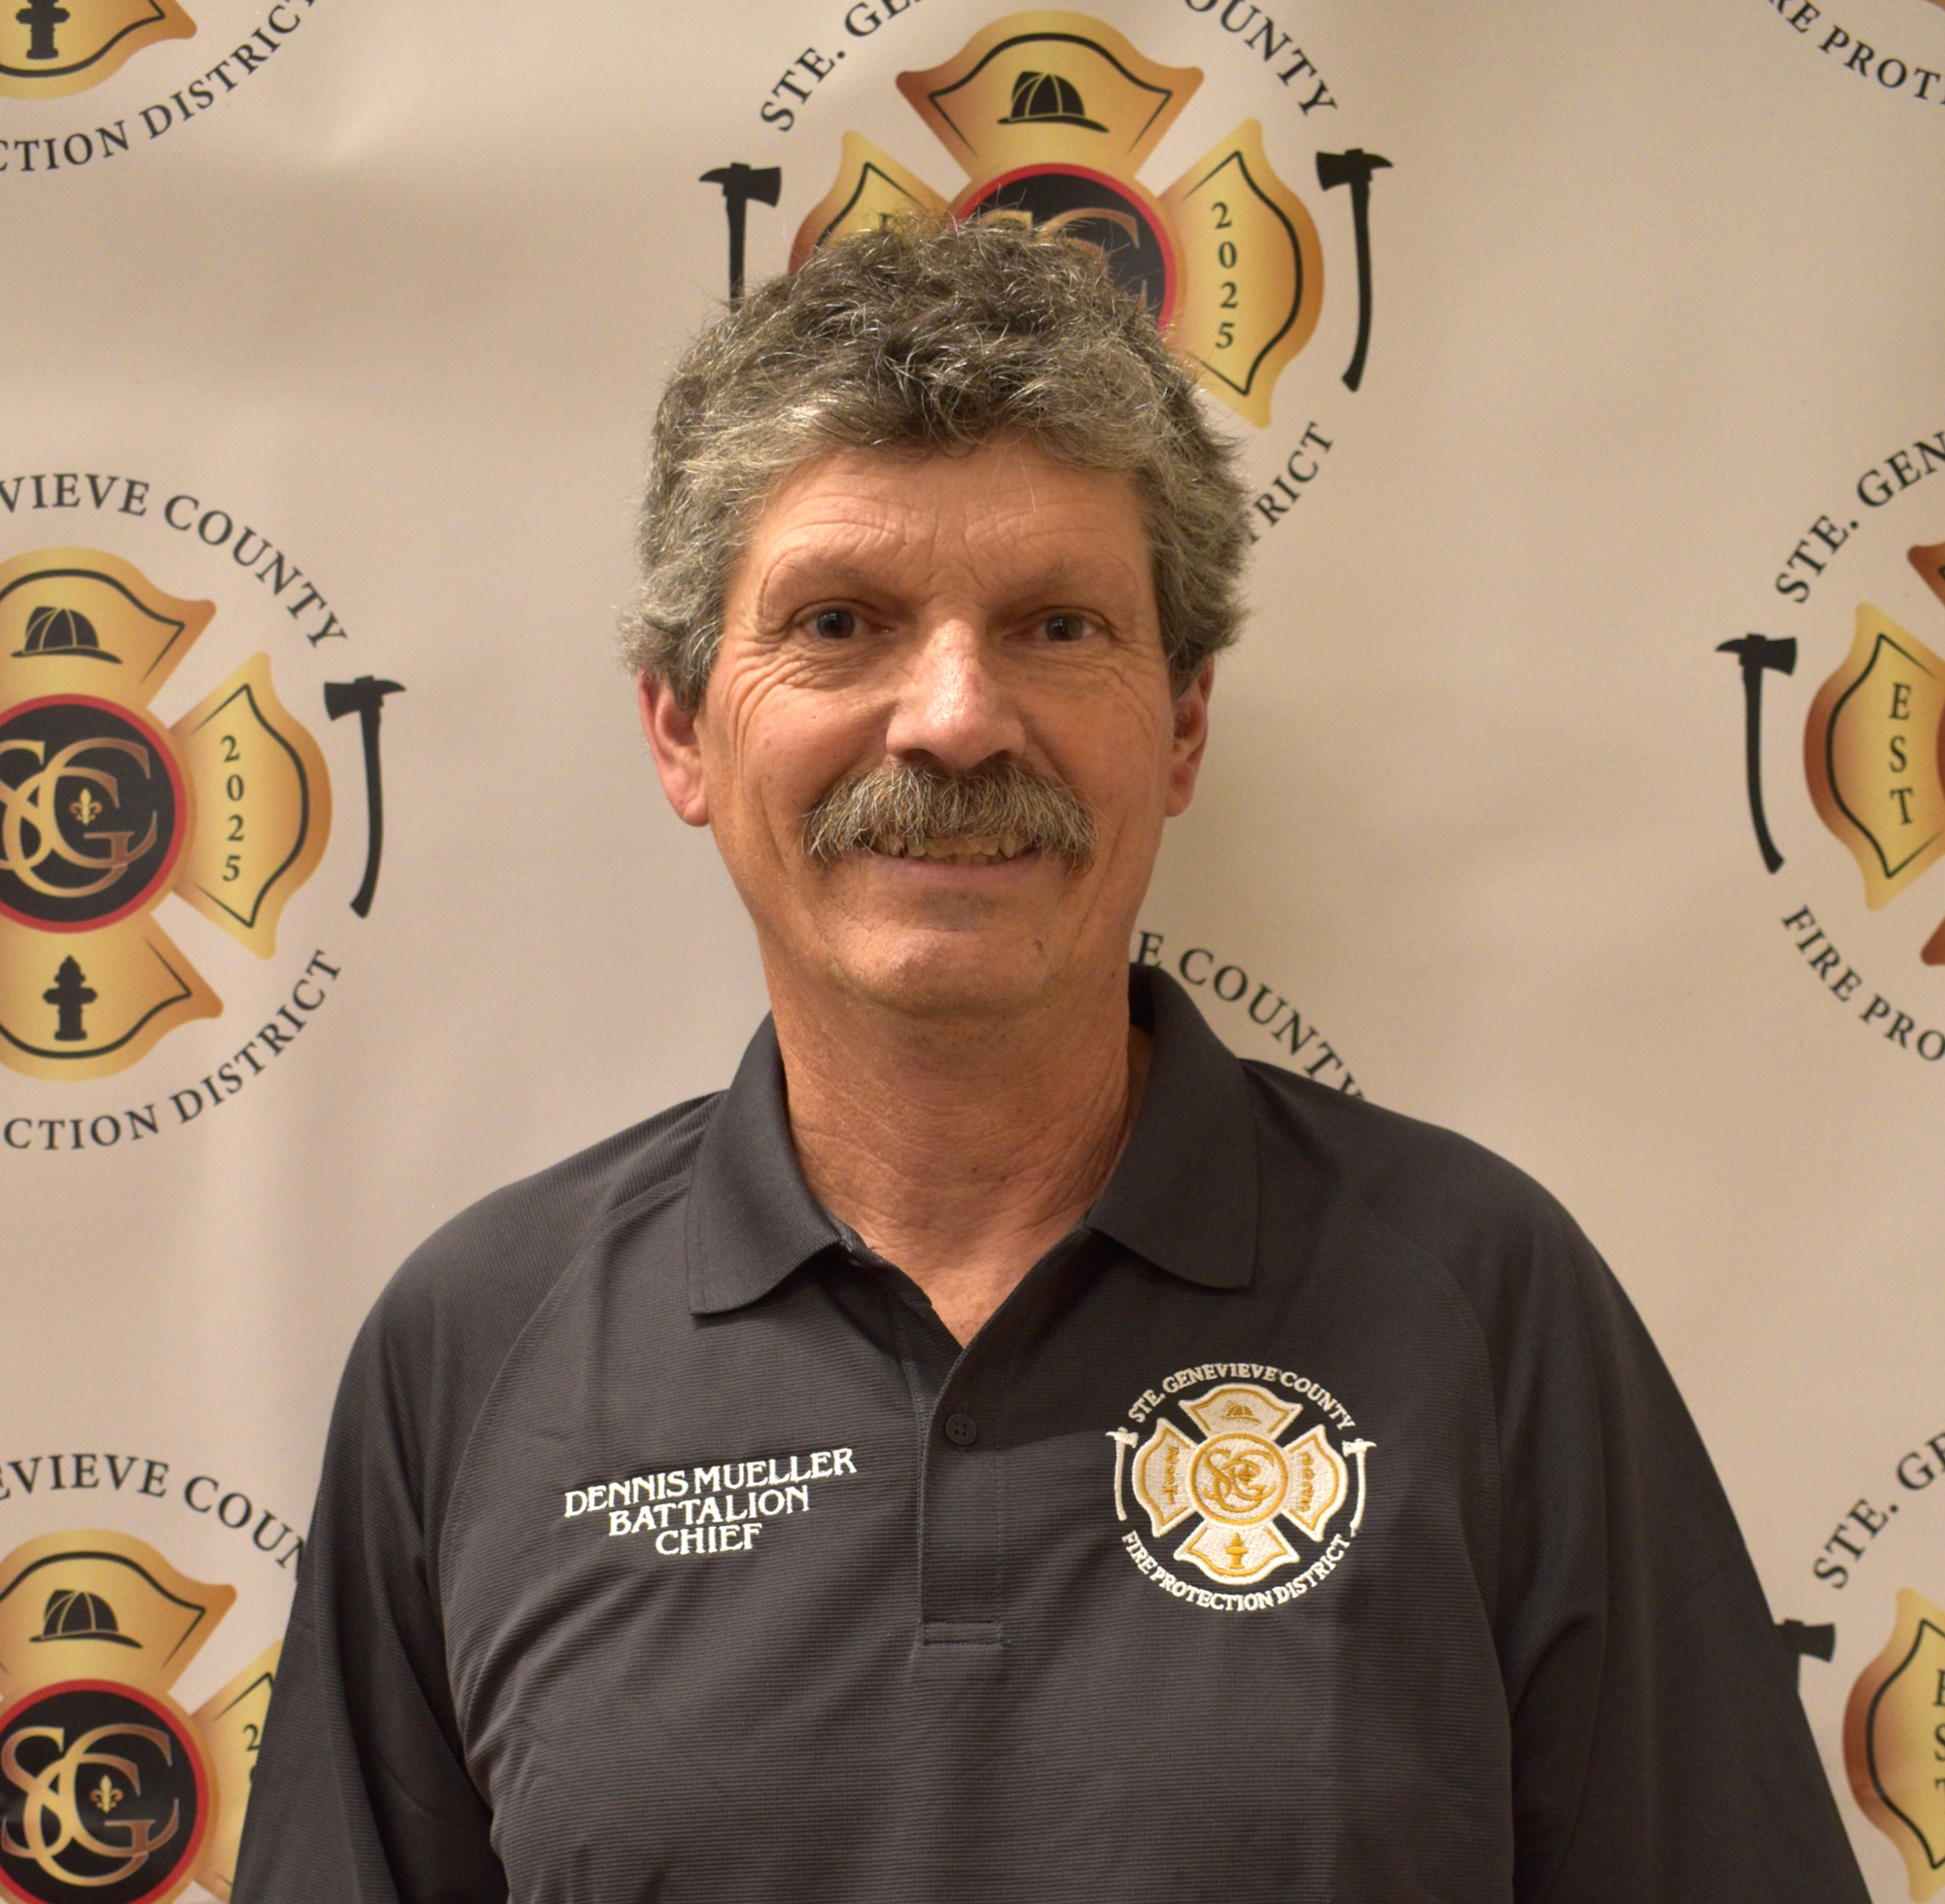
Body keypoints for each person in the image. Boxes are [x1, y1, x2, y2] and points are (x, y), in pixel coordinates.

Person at [234, 222, 1866, 1903]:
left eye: (1058, 626)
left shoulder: (1485, 1301)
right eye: (841, 620)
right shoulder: (475, 1348)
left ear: (1184, 724)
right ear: (681, 727)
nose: (954, 717)